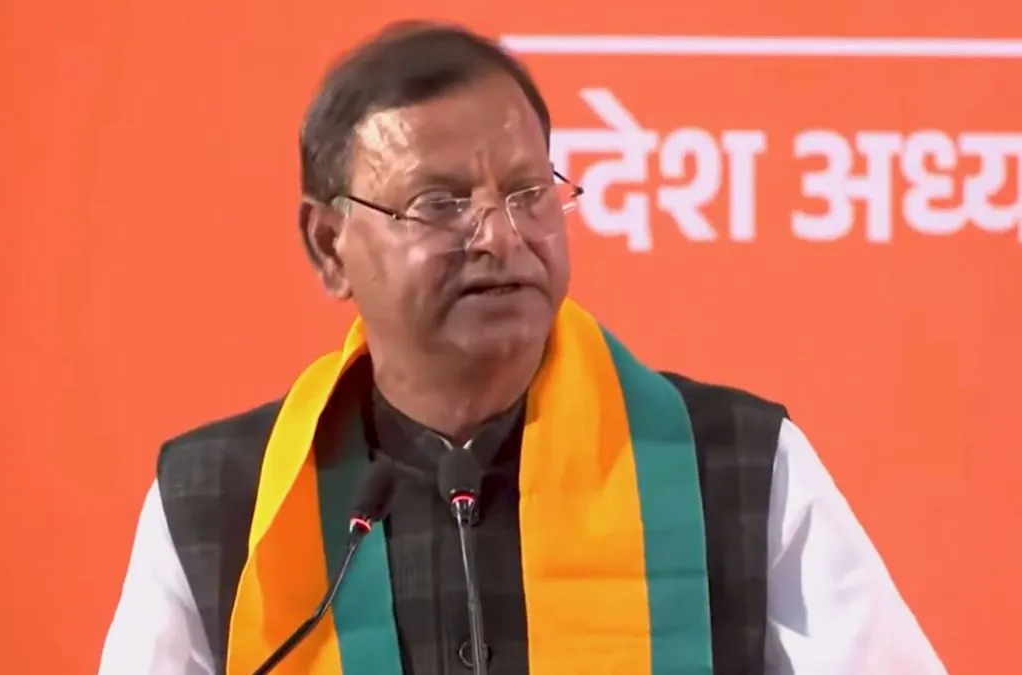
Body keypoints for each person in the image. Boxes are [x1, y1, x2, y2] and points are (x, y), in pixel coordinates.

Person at [98, 21, 947, 675]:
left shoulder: (732, 464)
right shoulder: (223, 499)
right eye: (439, 204)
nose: (501, 238)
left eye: (528, 192)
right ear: (329, 246)